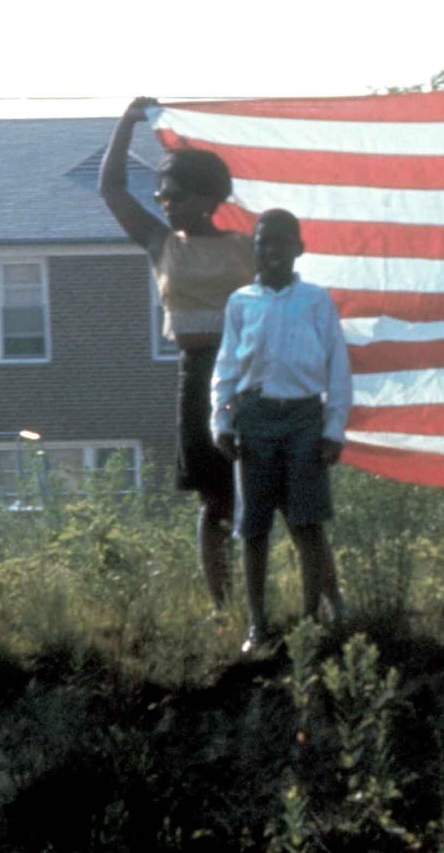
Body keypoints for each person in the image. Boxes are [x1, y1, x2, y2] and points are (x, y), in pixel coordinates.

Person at [100, 97, 255, 612]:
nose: (165, 201)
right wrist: (125, 124)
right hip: (197, 377)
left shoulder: (246, 246)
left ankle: (261, 603)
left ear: (210, 197)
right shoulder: (160, 243)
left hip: (250, 376)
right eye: (162, 193)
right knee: (215, 498)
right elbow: (112, 189)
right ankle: (223, 606)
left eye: (176, 193)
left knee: (258, 495)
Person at [211, 209, 351, 655]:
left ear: (298, 249)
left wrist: (334, 428)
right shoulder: (241, 303)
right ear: (254, 249)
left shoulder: (315, 300)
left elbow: (338, 367)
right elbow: (228, 368)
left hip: (305, 419)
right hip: (255, 418)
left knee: (307, 521)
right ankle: (258, 624)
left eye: (280, 243)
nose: (271, 252)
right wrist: (222, 419)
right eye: (262, 243)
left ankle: (312, 621)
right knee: (253, 527)